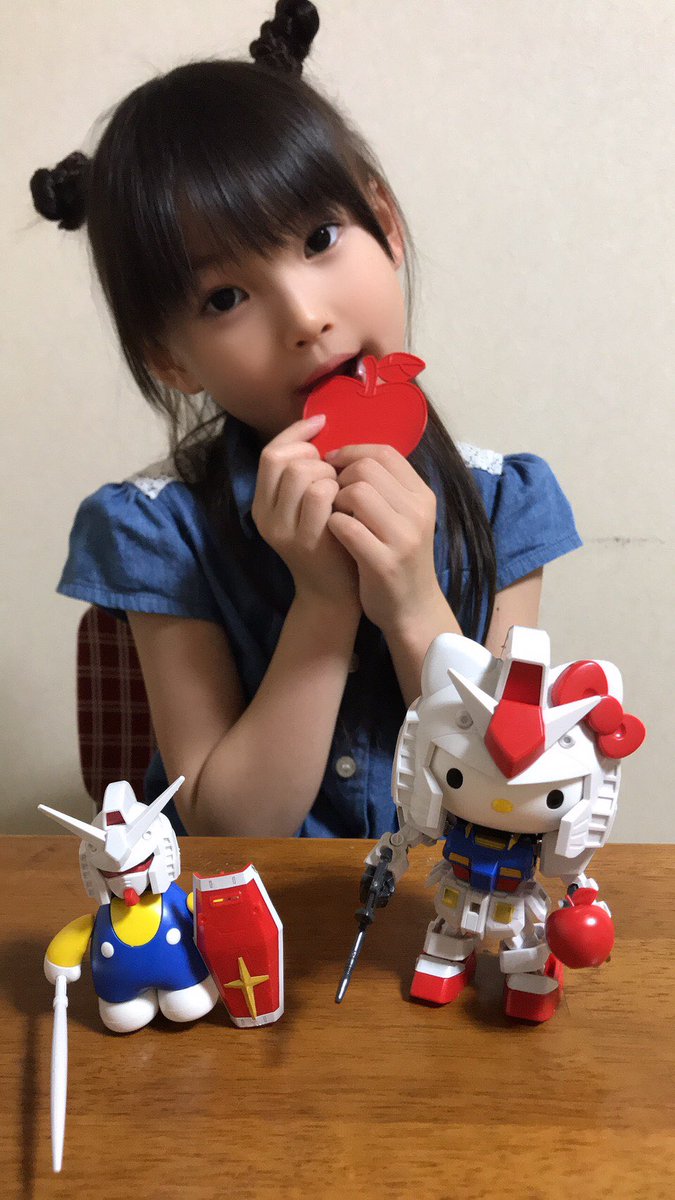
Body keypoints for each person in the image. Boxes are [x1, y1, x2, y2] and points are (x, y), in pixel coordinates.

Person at [31, 1, 581, 839]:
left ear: (384, 226)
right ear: (170, 360)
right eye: (225, 297)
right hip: (246, 906)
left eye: (320, 237)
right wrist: (321, 605)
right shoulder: (155, 531)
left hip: (444, 897)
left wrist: (411, 602)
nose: (303, 317)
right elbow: (227, 828)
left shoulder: (506, 503)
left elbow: (506, 787)